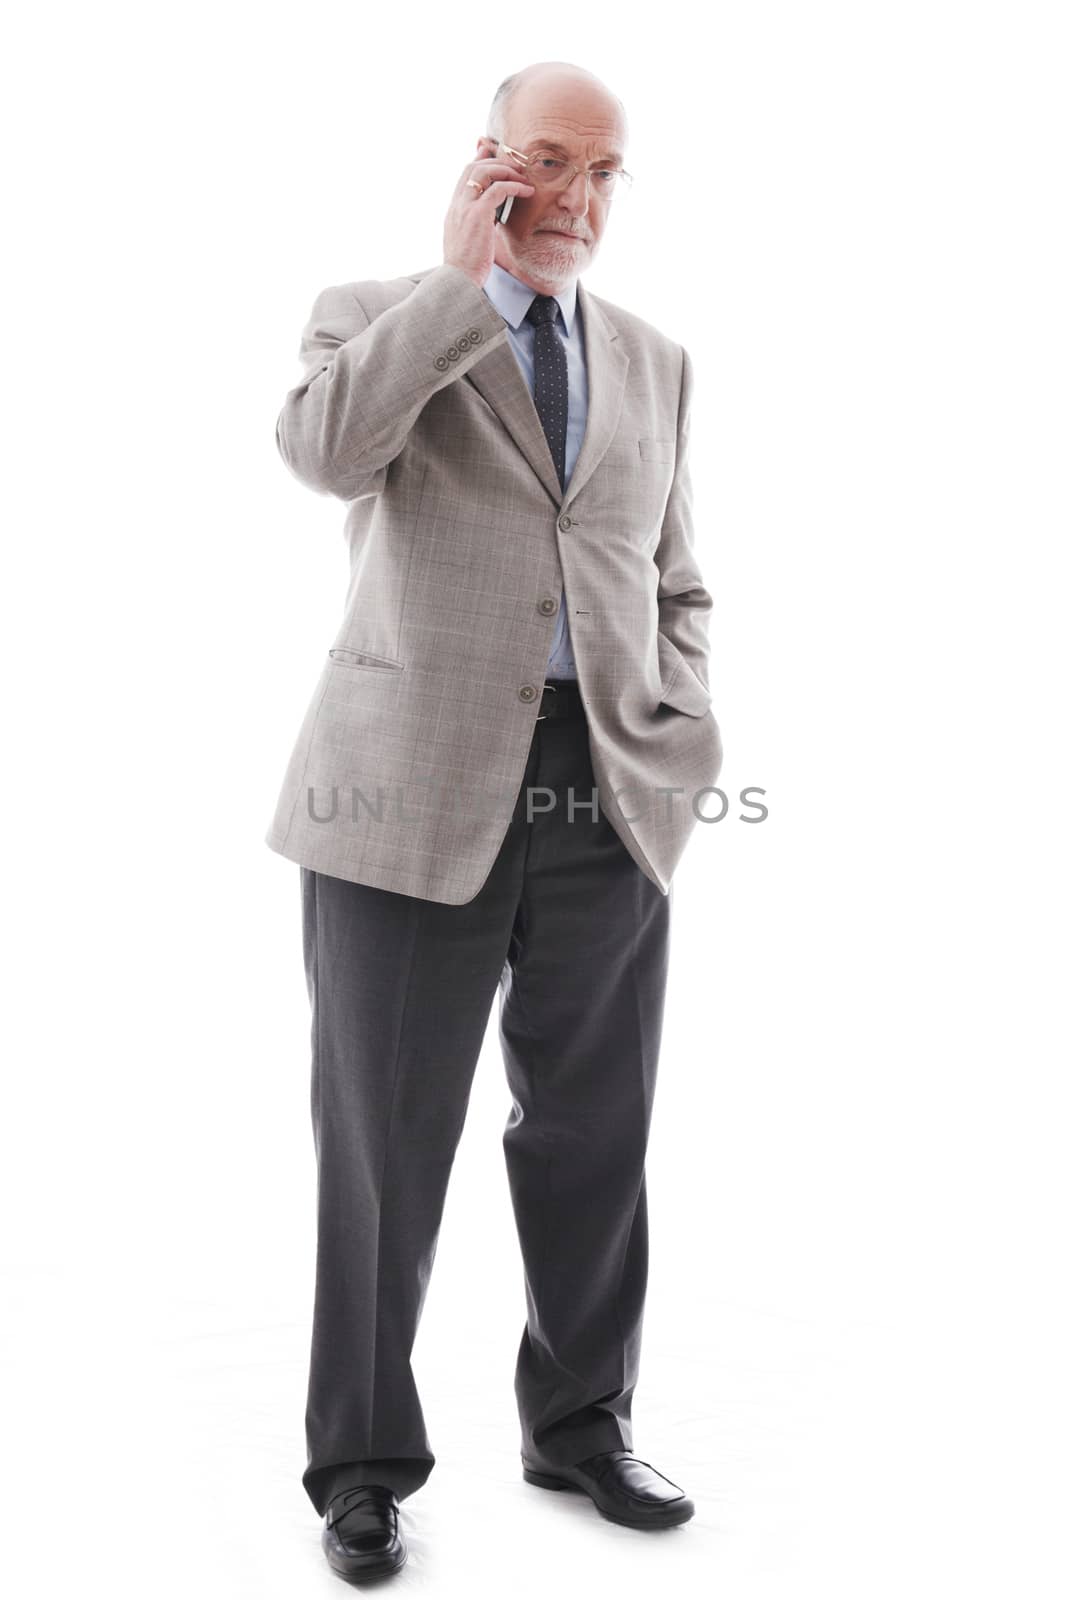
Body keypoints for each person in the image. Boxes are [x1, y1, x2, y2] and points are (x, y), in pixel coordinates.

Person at [265, 58, 723, 1582]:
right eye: (547, 163)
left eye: (602, 174)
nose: (576, 200)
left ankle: (582, 1423)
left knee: (597, 1131)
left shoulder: (653, 359)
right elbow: (325, 450)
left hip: (607, 791)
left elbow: (674, 575)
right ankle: (364, 1468)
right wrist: (460, 282)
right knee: (385, 1147)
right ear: (490, 165)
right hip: (401, 797)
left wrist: (673, 724)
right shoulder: (380, 309)